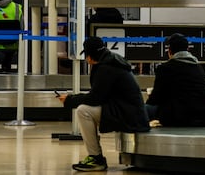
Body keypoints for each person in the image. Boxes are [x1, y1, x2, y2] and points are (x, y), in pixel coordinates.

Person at [57, 36, 150, 172]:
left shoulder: (106, 68)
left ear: (91, 55)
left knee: (83, 111)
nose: (87, 59)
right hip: (130, 112)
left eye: (87, 55)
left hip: (128, 115)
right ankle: (95, 157)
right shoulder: (111, 61)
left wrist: (70, 100)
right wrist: (72, 98)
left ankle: (96, 158)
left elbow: (95, 98)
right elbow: (98, 94)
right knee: (84, 108)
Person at [145, 33, 205, 127]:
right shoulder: (198, 67)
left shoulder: (164, 68)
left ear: (170, 51)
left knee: (146, 108)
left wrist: (151, 94)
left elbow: (155, 99)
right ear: (187, 50)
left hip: (180, 119)